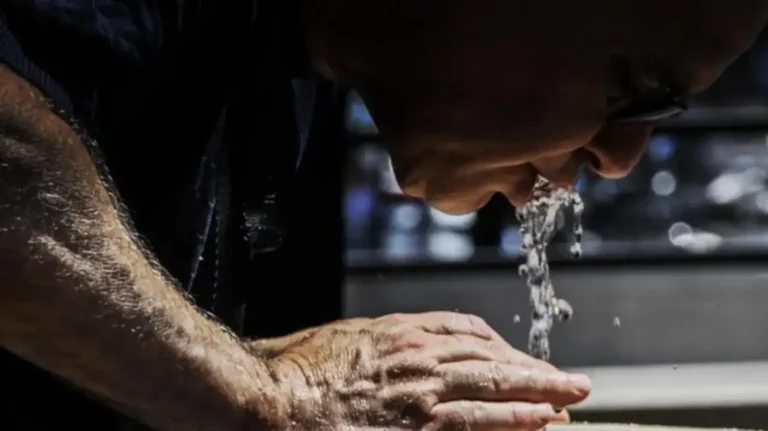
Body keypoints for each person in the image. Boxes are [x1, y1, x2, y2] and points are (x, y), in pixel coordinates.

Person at [0, 0, 765, 429]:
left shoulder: (301, 75)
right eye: (634, 82)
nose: (622, 156)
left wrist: (247, 371)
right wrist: (259, 393)